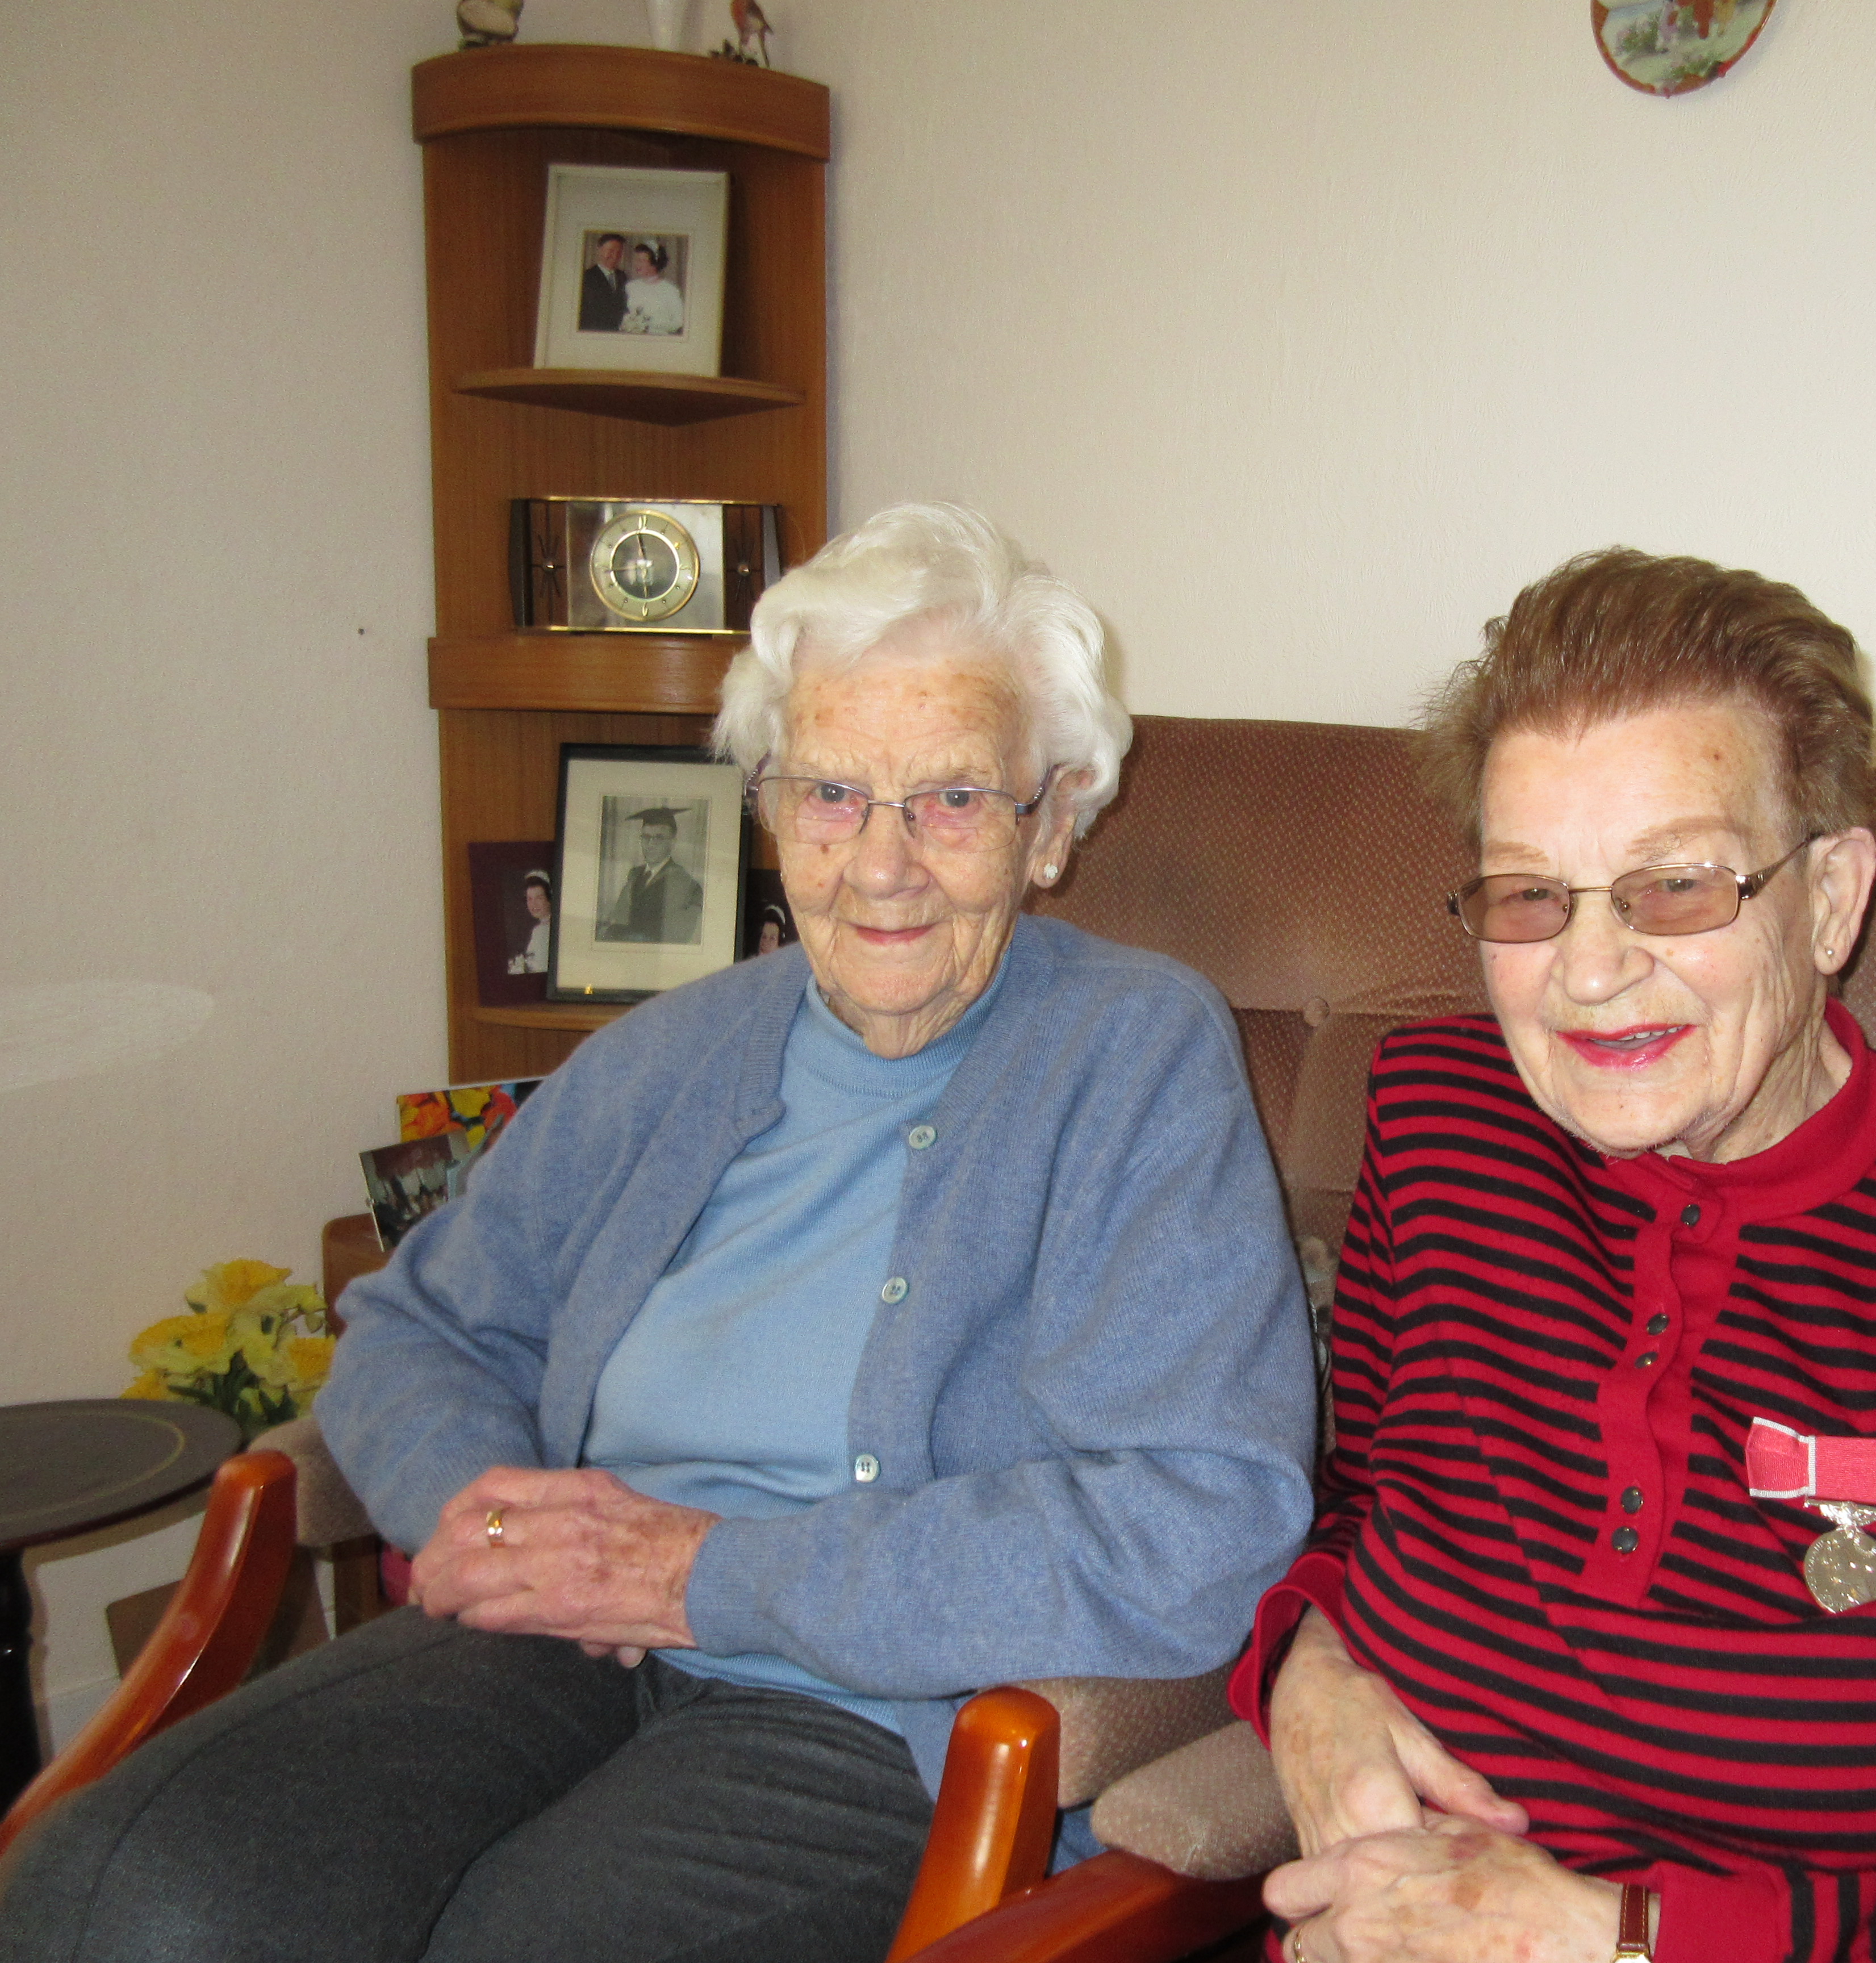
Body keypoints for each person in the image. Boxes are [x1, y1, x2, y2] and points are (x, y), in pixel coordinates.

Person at [0, 503, 1318, 1963]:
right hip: (561, 1640)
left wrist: (704, 1570)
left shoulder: (1135, 1052)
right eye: (829, 793)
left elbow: (1200, 1515)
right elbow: (421, 1321)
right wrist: (486, 1517)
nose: (880, 863)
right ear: (768, 808)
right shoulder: (677, 1047)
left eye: (950, 798)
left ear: (1054, 820)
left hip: (868, 1711)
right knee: (120, 1886)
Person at [1232, 549, 1876, 1963]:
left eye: (1674, 885)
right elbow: (1361, 1495)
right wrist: (1306, 1667)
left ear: (1834, 896)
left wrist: (1620, 1935)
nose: (1591, 967)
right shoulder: (1442, 1125)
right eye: (1527, 894)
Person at [601, 804, 702, 942]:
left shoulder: (685, 884)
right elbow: (618, 916)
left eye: (659, 838)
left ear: (673, 842)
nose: (651, 844)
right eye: (646, 837)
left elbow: (673, 938)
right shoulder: (635, 875)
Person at [622, 240, 686, 336]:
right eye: (636, 260)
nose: (637, 264)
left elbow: (679, 321)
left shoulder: (670, 290)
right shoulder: (630, 287)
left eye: (642, 261)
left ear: (654, 263)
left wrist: (648, 326)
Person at [576, 231, 629, 332]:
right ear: (599, 250)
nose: (615, 256)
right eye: (611, 251)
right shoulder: (586, 277)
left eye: (619, 252)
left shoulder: (623, 277)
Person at [507, 868, 551, 974]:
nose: (534, 904)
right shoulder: (539, 929)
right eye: (530, 899)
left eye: (539, 898)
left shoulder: (549, 930)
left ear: (549, 898)